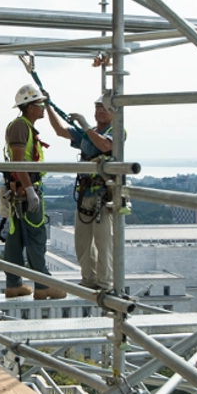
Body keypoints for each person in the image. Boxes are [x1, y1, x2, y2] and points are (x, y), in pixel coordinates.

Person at [0, 84, 63, 300]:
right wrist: (29, 189)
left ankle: (14, 283)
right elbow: (18, 161)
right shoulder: (21, 126)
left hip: (21, 191)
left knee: (16, 238)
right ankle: (43, 284)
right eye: (40, 104)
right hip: (26, 191)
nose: (43, 107)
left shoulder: (24, 126)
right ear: (30, 107)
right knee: (35, 236)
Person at [64, 96, 119, 290]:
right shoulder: (89, 133)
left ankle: (105, 283)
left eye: (104, 108)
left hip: (103, 196)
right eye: (97, 108)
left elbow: (105, 146)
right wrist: (48, 105)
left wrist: (85, 125)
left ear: (114, 112)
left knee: (103, 244)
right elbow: (60, 131)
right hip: (85, 193)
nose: (100, 111)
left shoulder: (117, 131)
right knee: (82, 243)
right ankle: (89, 279)